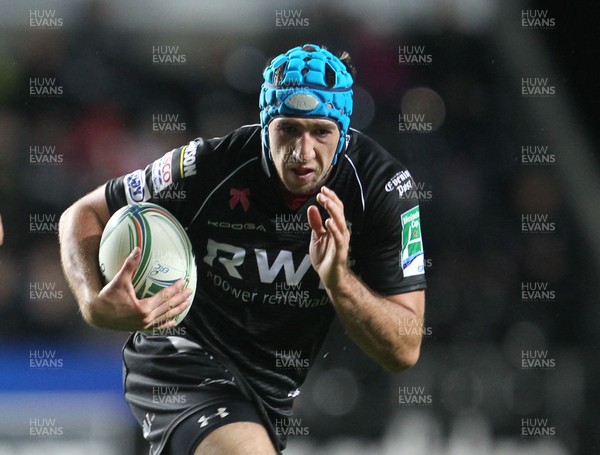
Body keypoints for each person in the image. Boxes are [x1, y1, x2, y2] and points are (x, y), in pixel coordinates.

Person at [59, 44, 426, 455]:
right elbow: (82, 213)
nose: (303, 152)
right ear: (266, 123)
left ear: (342, 133)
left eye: (321, 132)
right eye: (288, 129)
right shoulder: (207, 165)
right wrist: (92, 301)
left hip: (269, 393)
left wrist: (339, 281)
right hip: (180, 359)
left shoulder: (383, 190)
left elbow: (404, 348)